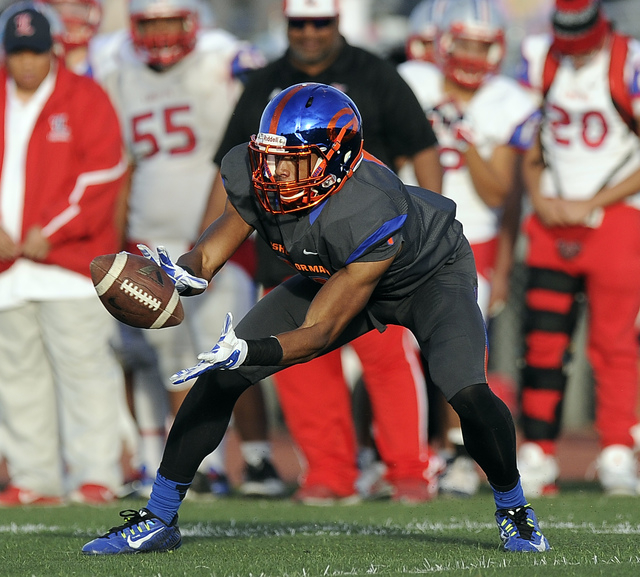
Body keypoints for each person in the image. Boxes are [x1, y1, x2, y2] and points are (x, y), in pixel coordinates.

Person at [81, 82, 551, 554]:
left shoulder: (367, 205)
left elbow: (320, 331)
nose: (275, 170)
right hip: (341, 270)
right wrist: (180, 273)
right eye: (269, 155)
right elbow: (212, 249)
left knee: (466, 390)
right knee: (221, 377)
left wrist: (251, 348)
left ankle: (515, 509)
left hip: (429, 279)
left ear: (336, 160)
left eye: (293, 159)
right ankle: (159, 518)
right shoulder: (262, 175)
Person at [207, 0, 444, 504]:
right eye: (299, 23)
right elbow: (231, 173)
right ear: (286, 24)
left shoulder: (374, 72)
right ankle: (330, 472)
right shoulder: (264, 83)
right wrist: (209, 248)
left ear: (337, 22)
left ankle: (407, 469)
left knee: (386, 358)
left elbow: (421, 145)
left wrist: (433, 219)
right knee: (302, 366)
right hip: (288, 250)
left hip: (364, 248)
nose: (309, 33)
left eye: (320, 22)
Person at [99, 0, 285, 499]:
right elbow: (123, 166)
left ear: (190, 21)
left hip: (218, 237)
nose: (159, 34)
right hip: (152, 238)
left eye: (168, 20)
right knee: (171, 355)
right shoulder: (118, 68)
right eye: (150, 22)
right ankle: (199, 467)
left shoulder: (222, 58)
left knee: (229, 347)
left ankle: (257, 458)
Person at [398, 0, 540, 497]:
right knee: (397, 354)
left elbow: (501, 194)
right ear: (444, 42)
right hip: (406, 236)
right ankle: (410, 452)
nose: (474, 56)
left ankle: (457, 451)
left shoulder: (507, 101)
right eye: (466, 43)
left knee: (453, 353)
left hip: (469, 243)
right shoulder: (414, 81)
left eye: (485, 45)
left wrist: (464, 130)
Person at [0, 3, 128, 506]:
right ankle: (34, 477)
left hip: (71, 267)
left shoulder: (84, 96)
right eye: (17, 54)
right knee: (17, 379)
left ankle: (97, 476)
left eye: (35, 52)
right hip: (9, 273)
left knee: (86, 374)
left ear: (53, 48)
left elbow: (104, 173)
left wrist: (47, 231)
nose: (27, 63)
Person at [515, 0, 640, 496]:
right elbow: (530, 142)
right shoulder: (540, 58)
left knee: (613, 344)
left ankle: (615, 449)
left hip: (616, 216)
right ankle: (539, 451)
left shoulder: (627, 60)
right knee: (542, 343)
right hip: (552, 219)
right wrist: (541, 197)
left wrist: (594, 200)